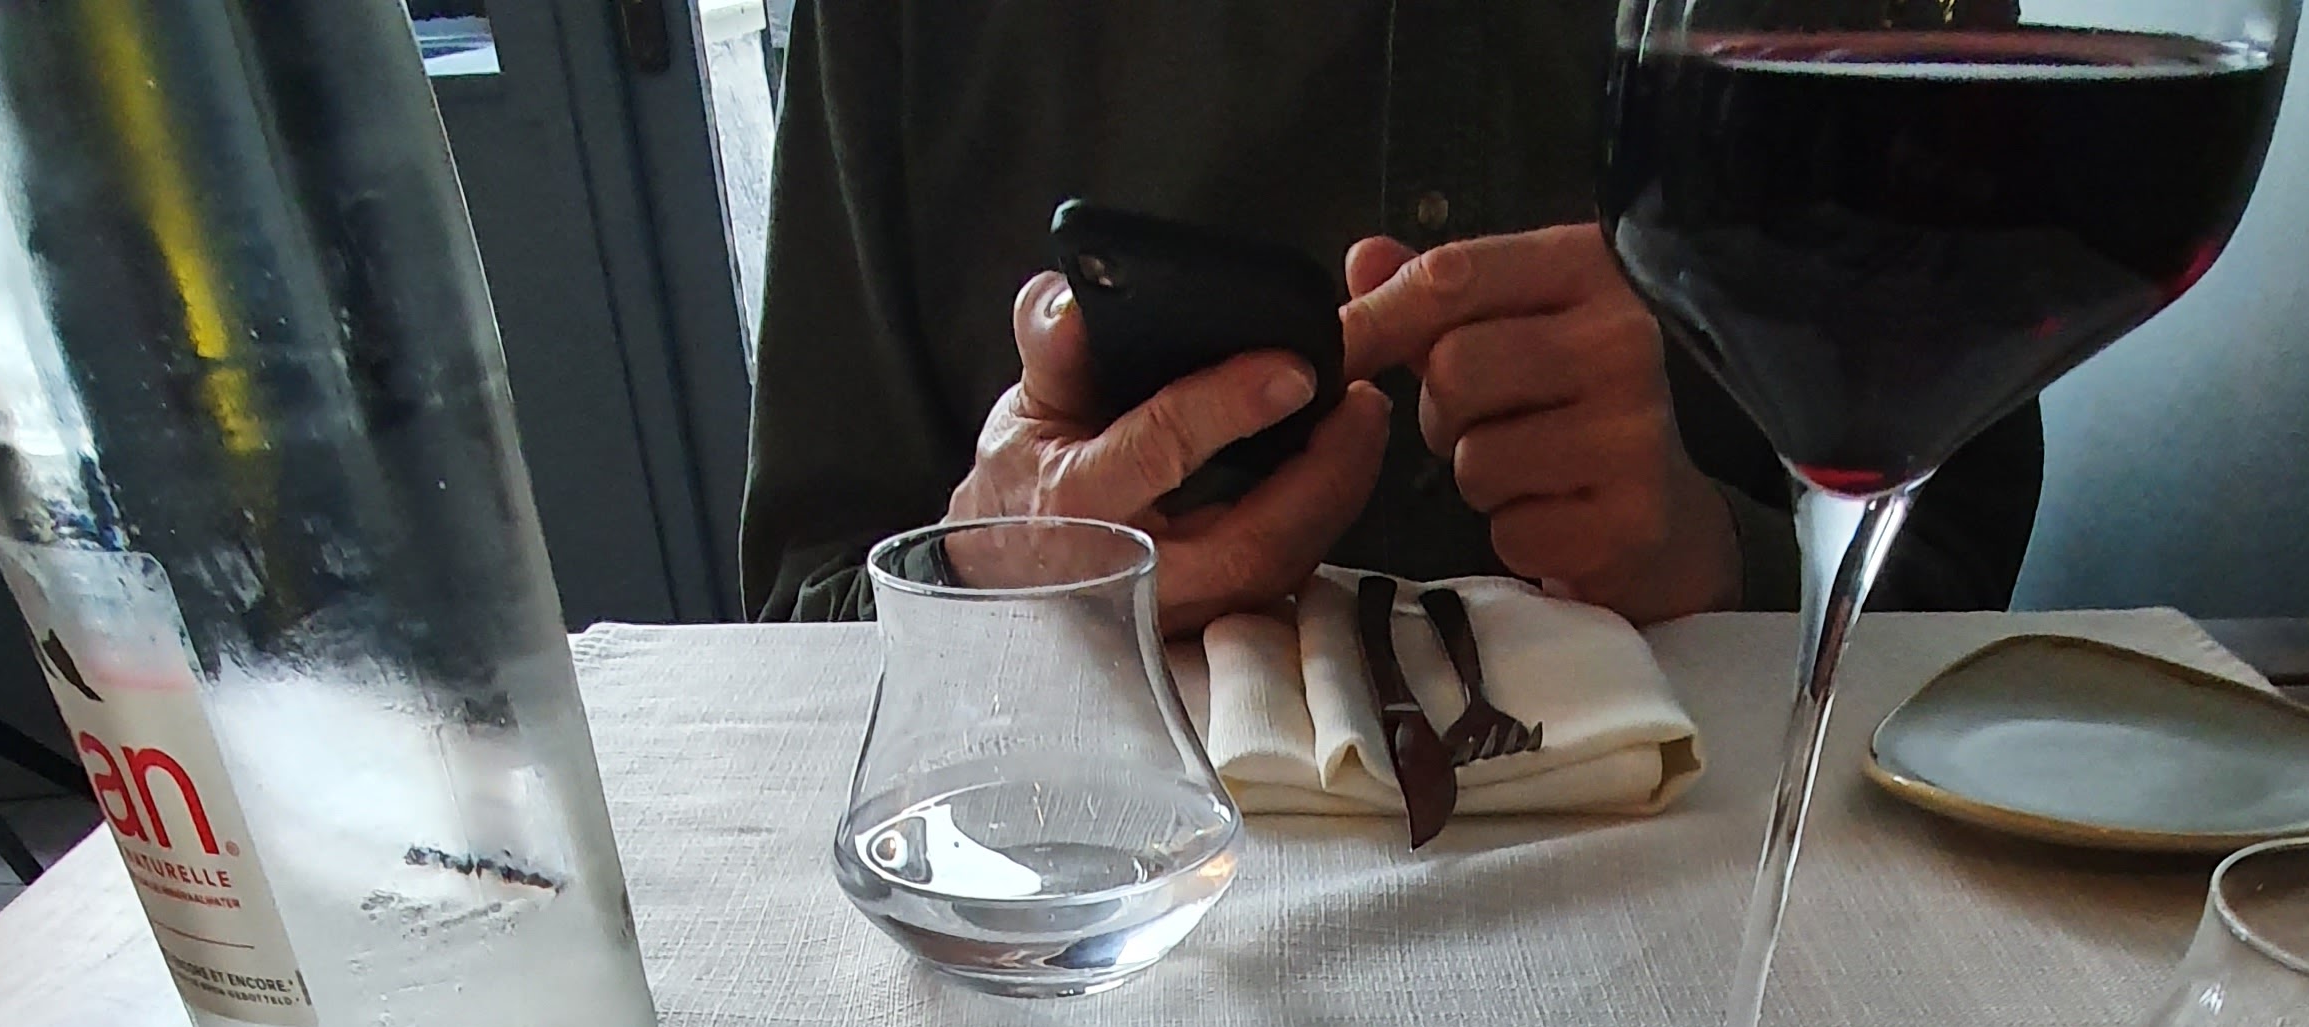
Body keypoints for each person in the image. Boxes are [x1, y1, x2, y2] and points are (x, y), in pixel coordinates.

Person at [737, 0, 2041, 634]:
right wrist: (991, 571)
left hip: (1754, 933)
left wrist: (1727, 563)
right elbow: (805, 599)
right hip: (1104, 905)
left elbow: (1960, 573)